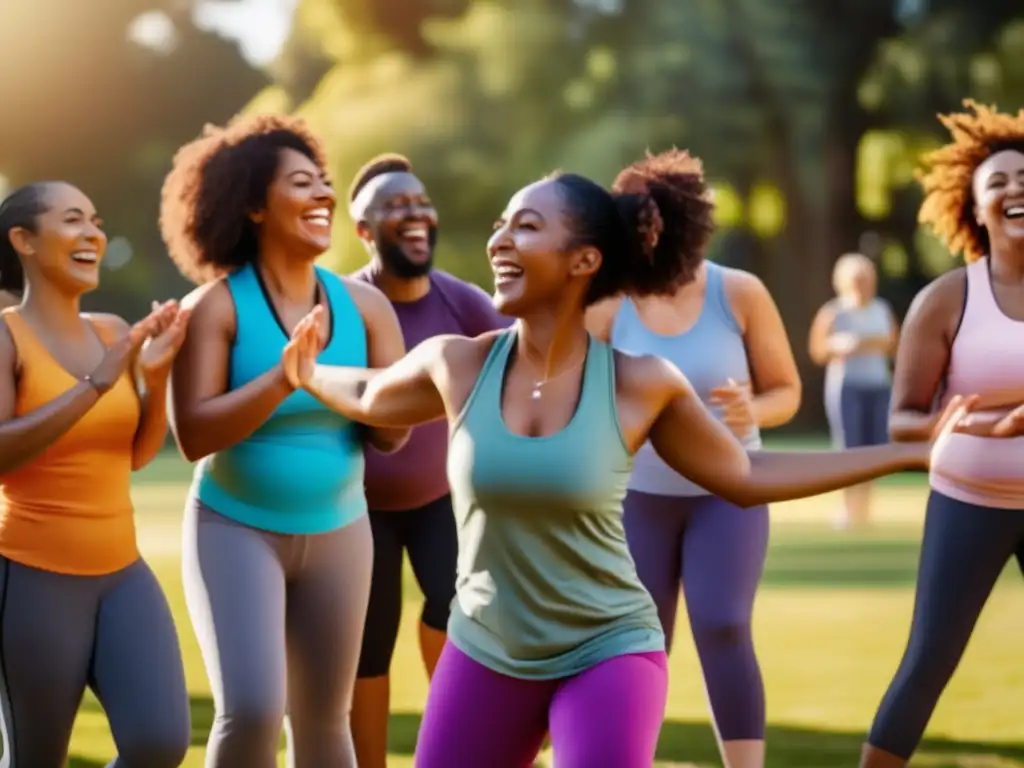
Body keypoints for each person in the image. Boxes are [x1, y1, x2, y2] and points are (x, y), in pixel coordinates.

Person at [280, 170, 944, 768]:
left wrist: (906, 452)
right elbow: (368, 394)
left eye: (527, 227)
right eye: (500, 227)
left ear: (585, 260)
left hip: (606, 649)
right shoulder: (456, 364)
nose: (500, 242)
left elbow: (744, 476)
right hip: (485, 647)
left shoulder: (640, 385)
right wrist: (307, 373)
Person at [159, 115, 409, 768]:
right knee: (253, 712)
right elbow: (193, 435)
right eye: (302, 183)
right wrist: (283, 378)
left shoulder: (367, 308)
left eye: (325, 183)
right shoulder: (214, 308)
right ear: (252, 206)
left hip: (341, 531)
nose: (324, 195)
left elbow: (389, 436)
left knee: (327, 721)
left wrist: (387, 396)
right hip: (235, 529)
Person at [585, 149, 801, 768]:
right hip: (640, 501)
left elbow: (787, 390)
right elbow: (585, 396)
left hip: (728, 494)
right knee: (637, 642)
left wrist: (753, 412)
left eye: (658, 226)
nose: (648, 239)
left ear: (685, 227)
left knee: (724, 622)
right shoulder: (609, 305)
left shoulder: (739, 292)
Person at [0, 181, 191, 767]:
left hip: (121, 573)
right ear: (24, 240)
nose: (93, 234)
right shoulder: (6, 334)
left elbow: (134, 454)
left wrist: (153, 379)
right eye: (73, 220)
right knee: (38, 758)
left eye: (97, 220)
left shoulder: (111, 331)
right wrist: (97, 384)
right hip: (32, 576)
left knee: (159, 742)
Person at [860, 101, 1024, 768]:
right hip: (971, 498)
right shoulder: (949, 298)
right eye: (1000, 183)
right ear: (976, 207)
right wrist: (985, 420)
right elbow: (902, 419)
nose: (1016, 191)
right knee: (930, 657)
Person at [346, 153, 511, 768]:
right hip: (358, 507)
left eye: (420, 202)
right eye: (394, 206)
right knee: (368, 642)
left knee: (457, 611)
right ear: (364, 231)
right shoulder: (347, 303)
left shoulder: (462, 301)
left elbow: (520, 362)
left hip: (439, 500)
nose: (413, 214)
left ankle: (456, 749)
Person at [809, 252, 899, 529]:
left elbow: (894, 344)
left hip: (878, 385)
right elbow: (817, 350)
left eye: (867, 279)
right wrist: (839, 345)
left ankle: (865, 508)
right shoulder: (833, 312)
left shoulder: (882, 309)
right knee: (849, 448)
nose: (863, 284)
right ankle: (847, 508)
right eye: (857, 279)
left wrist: (870, 343)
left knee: (873, 448)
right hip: (847, 387)